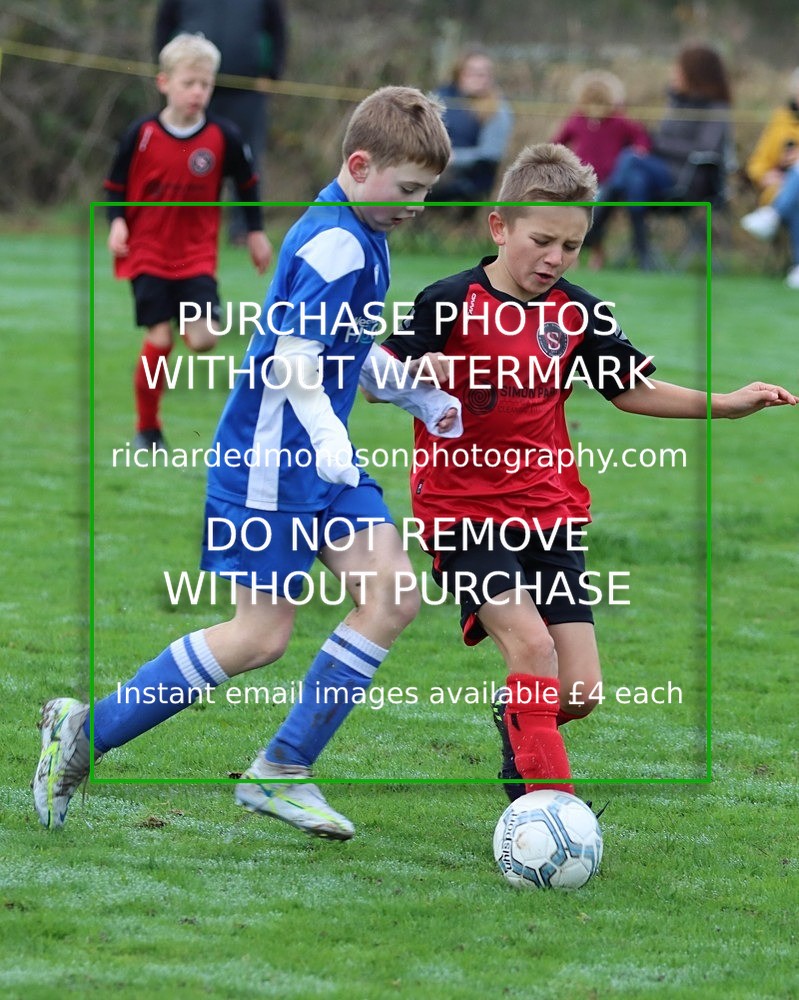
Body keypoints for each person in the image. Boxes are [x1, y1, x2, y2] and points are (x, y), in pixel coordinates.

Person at [34, 86, 455, 839]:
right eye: (408, 190)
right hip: (268, 461)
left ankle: (282, 771)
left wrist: (415, 395)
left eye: (426, 193)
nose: (416, 206)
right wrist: (330, 440)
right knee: (260, 637)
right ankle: (85, 732)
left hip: (320, 460)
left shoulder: (365, 228)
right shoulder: (334, 241)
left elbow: (342, 351)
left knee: (391, 596)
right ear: (359, 165)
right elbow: (295, 361)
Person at [363, 143, 796, 801]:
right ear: (499, 227)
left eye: (570, 245)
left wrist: (725, 406)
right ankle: (549, 816)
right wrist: (423, 369)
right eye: (541, 240)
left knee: (580, 692)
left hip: (549, 511)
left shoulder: (578, 312)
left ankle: (521, 719)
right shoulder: (448, 302)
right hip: (463, 513)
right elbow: (374, 380)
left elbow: (627, 388)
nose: (554, 258)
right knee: (531, 650)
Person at [105, 32, 273, 452]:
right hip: (147, 252)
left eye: (206, 84)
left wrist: (254, 233)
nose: (198, 92)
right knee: (160, 338)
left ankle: (188, 314)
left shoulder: (224, 136)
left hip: (196, 256)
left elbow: (247, 185)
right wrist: (117, 223)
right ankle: (148, 429)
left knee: (203, 339)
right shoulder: (140, 134)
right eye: (189, 83)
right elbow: (115, 184)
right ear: (165, 83)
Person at [585, 44, 732, 270]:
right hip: (658, 175)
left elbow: (705, 149)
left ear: (695, 73)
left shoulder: (715, 108)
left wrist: (655, 143)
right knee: (635, 180)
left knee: (630, 159)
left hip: (691, 180)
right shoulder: (676, 102)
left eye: (678, 69)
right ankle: (644, 255)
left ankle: (595, 227)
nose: (673, 74)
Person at [154, 0, 288, 244]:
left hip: (246, 90)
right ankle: (182, 223)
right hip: (194, 87)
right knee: (185, 153)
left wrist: (272, 73)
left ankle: (243, 229)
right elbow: (164, 25)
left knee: (247, 159)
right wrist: (172, 74)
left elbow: (277, 28)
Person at [740, 68, 799, 289]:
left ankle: (772, 215)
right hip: (780, 189)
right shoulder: (781, 120)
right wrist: (766, 175)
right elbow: (757, 162)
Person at [433, 47, 514, 208]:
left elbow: (491, 154)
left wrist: (456, 158)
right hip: (433, 161)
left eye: (484, 73)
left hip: (470, 177)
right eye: (473, 72)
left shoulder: (498, 109)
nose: (480, 77)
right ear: (459, 74)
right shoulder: (439, 97)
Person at [551, 70, 651, 188]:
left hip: (611, 177)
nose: (596, 108)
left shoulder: (618, 120)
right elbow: (558, 141)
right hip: (583, 177)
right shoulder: (577, 119)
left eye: (600, 102)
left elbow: (639, 134)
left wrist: (640, 149)